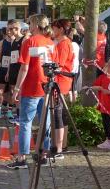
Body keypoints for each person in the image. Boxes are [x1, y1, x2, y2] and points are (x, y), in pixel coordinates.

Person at [7, 14, 54, 170]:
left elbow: (24, 67)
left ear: (35, 25)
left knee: (25, 123)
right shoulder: (50, 42)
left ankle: (22, 158)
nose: (28, 26)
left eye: (30, 24)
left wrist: (16, 89)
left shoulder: (30, 41)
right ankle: (44, 155)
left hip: (32, 87)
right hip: (46, 86)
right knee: (45, 121)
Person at [49, 19, 74, 158]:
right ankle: (62, 145)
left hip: (61, 81)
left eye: (54, 28)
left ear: (61, 29)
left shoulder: (64, 44)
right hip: (62, 80)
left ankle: (59, 148)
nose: (52, 31)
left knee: (58, 113)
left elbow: (59, 64)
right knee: (61, 113)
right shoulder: (63, 42)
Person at [0, 20, 20, 119]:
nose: (9, 31)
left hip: (13, 68)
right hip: (3, 67)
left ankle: (9, 110)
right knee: (0, 91)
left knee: (11, 91)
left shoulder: (17, 41)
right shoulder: (3, 42)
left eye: (10, 29)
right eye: (7, 29)